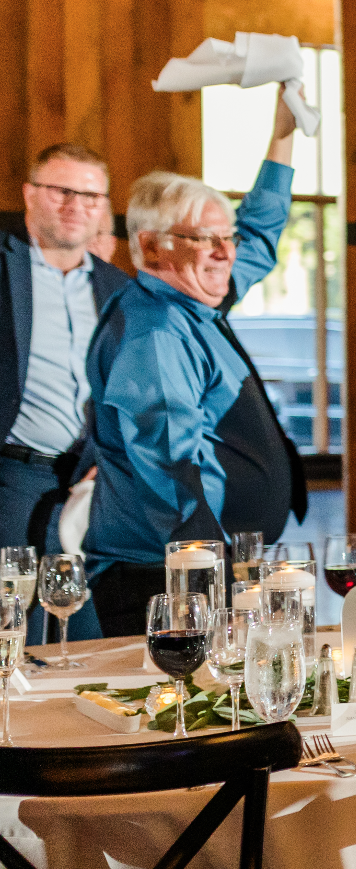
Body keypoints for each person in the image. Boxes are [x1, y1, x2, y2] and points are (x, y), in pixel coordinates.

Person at [85, 95, 308, 636]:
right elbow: (170, 469)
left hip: (203, 568)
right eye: (205, 239)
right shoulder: (156, 332)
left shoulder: (196, 297)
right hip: (167, 580)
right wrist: (212, 587)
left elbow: (259, 234)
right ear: (151, 247)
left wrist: (283, 135)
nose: (225, 252)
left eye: (226, 236)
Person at [1, 143, 127, 639]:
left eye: (91, 196)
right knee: (16, 629)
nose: (77, 206)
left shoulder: (117, 286)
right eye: (62, 192)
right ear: (30, 194)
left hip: (92, 484)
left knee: (85, 633)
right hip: (14, 476)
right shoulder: (5, 267)